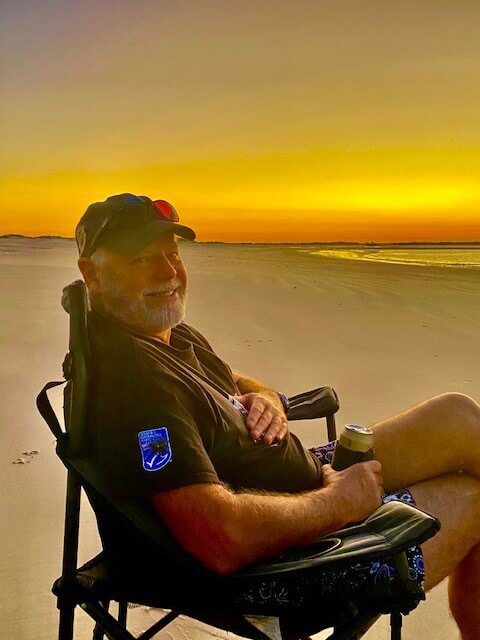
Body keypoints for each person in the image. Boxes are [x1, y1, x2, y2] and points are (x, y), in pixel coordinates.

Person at [76, 193, 480, 639]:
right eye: (141, 259)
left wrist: (265, 396)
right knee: (473, 498)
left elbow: (230, 377)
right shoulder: (137, 387)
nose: (169, 272)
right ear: (92, 274)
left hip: (305, 481)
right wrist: (343, 501)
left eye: (172, 254)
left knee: (457, 414)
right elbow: (221, 538)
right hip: (291, 564)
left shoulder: (163, 334)